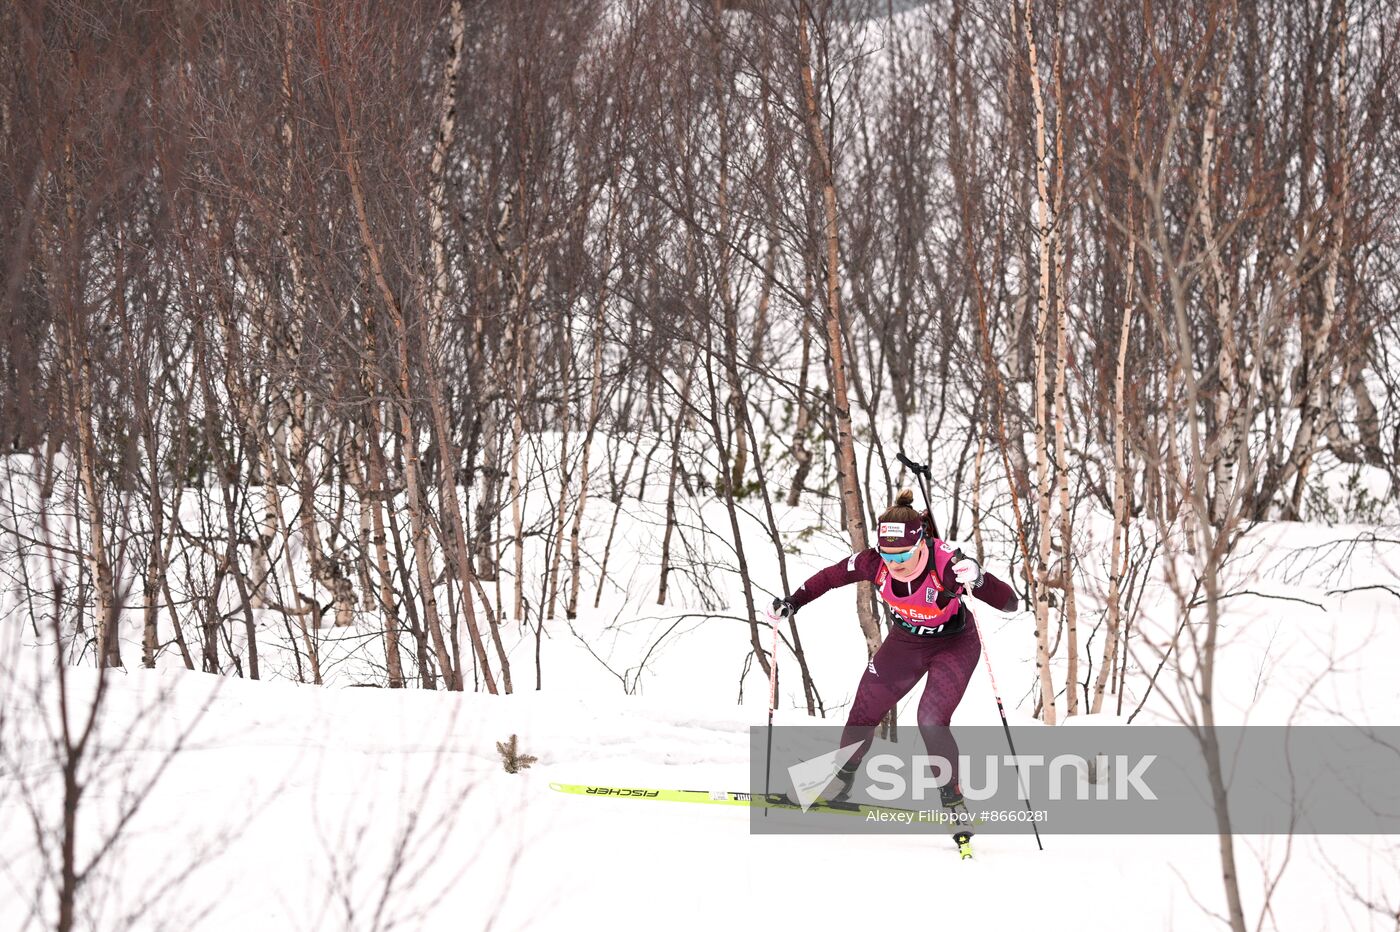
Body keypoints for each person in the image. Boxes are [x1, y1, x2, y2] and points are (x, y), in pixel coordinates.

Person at [768, 489, 1019, 851]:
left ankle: (953, 800)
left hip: (954, 643)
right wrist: (793, 602)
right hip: (906, 642)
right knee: (863, 710)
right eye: (889, 554)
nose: (895, 561)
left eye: (903, 554)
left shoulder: (947, 563)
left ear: (921, 542)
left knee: (930, 719)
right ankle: (843, 780)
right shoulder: (875, 561)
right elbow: (830, 576)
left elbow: (1009, 603)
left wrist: (978, 578)